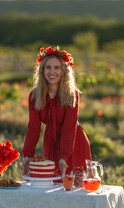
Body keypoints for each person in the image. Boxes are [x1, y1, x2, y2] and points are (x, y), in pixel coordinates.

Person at [22, 46, 92, 179]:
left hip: (73, 141)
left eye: (57, 68)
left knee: (75, 184)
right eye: (48, 67)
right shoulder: (35, 95)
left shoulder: (72, 94)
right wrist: (27, 156)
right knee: (52, 184)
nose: (52, 72)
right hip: (51, 142)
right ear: (42, 70)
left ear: (64, 71)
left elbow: (69, 127)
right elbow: (33, 128)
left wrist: (63, 156)